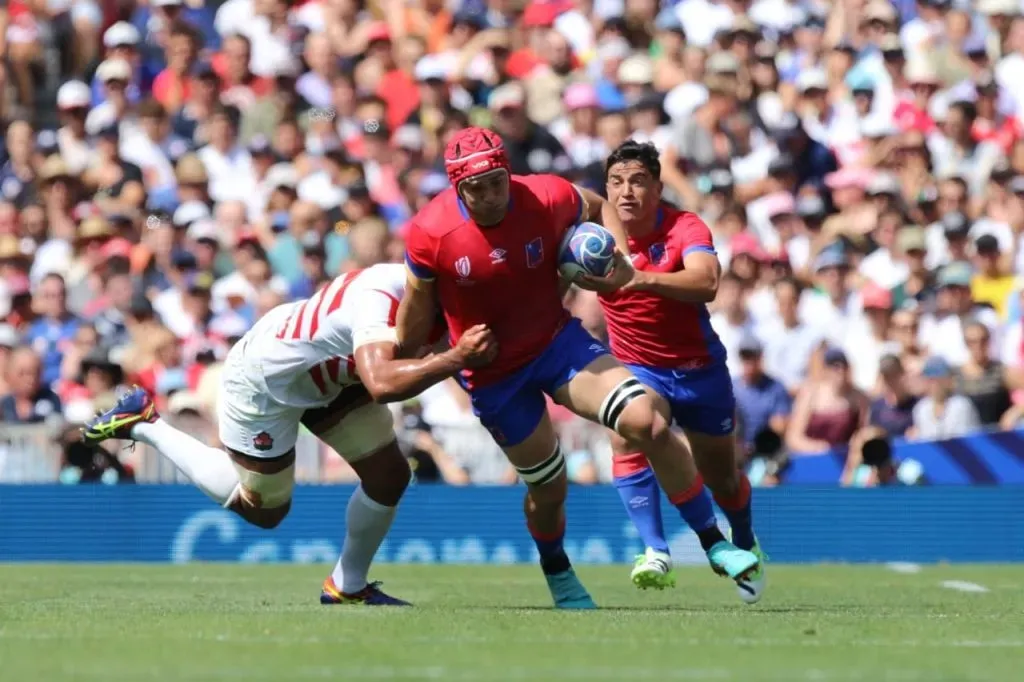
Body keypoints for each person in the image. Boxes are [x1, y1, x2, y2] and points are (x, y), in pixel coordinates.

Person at [397, 127, 758, 610]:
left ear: (508, 172)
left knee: (643, 419)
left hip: (556, 344)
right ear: (456, 189)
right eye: (475, 189)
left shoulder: (546, 194)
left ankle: (714, 542)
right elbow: (413, 324)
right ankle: (558, 570)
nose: (489, 196)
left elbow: (596, 206)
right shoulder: (430, 231)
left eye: (497, 183)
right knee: (549, 489)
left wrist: (621, 258)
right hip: (493, 373)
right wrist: (446, 351)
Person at [82, 263, 496, 606]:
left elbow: (450, 361)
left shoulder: (428, 296)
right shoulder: (380, 298)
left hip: (329, 374)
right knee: (265, 511)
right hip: (267, 379)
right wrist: (455, 358)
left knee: (389, 474)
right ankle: (145, 423)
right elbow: (385, 383)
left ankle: (347, 586)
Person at [596, 141, 765, 603]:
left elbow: (708, 282)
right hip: (639, 368)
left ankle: (745, 541)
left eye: (637, 181)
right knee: (629, 427)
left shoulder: (683, 226)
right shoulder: (591, 238)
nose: (626, 192)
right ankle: (655, 550)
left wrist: (639, 277)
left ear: (657, 186)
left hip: (699, 372)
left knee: (724, 481)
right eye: (616, 182)